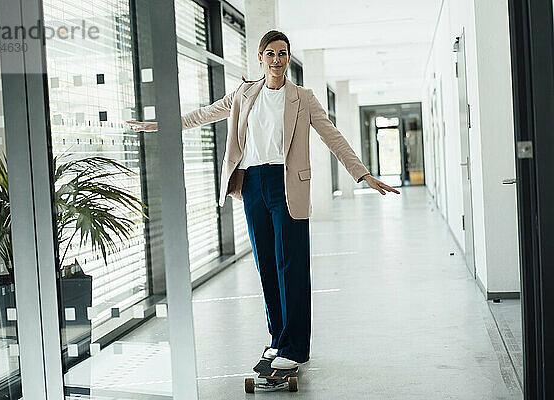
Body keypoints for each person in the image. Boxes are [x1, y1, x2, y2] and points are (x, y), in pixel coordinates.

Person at [127, 30, 399, 370]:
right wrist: (158, 125)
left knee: (292, 266)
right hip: (252, 184)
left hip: (287, 185)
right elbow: (201, 115)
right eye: (270, 53)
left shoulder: (303, 98)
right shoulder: (244, 94)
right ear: (260, 57)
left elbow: (332, 136)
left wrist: (362, 173)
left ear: (288, 58)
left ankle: (295, 347)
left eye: (282, 53)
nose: (276, 59)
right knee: (267, 266)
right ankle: (277, 339)